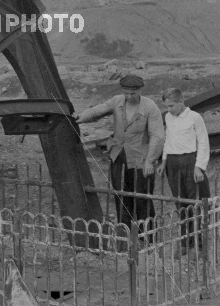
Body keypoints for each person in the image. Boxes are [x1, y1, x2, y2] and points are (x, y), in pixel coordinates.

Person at [77, 74, 164, 231]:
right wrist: (80, 117)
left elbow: (157, 136)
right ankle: (125, 236)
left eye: (133, 93)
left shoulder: (150, 107)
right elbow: (99, 110)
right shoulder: (117, 101)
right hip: (118, 157)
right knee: (121, 197)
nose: (129, 97)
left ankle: (148, 238)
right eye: (126, 93)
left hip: (141, 160)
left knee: (142, 198)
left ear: (140, 91)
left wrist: (150, 161)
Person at [157, 88, 210, 251]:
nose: (169, 109)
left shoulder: (194, 117)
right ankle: (185, 241)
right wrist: (164, 161)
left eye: (171, 105)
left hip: (190, 160)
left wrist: (199, 167)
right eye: (167, 106)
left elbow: (203, 141)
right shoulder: (168, 117)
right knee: (179, 201)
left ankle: (199, 240)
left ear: (181, 102)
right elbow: (168, 140)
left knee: (195, 200)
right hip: (173, 163)